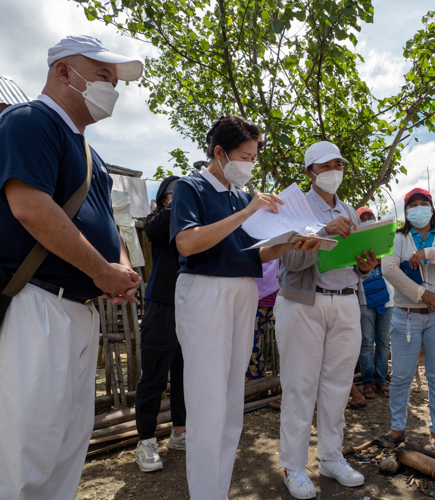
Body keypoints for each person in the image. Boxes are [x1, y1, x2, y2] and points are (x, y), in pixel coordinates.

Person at [0, 35, 143, 498]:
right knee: (25, 455)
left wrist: (118, 268)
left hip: (78, 310)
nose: (111, 89)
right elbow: (31, 208)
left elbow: (106, 224)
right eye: (102, 76)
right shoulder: (29, 121)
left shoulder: (91, 155)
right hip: (35, 303)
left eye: (114, 81)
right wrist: (101, 270)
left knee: (65, 449)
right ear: (63, 72)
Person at [170, 115, 319, 500]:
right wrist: (249, 210)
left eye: (254, 157)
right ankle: (204, 493)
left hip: (242, 290)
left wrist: (290, 243)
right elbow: (187, 243)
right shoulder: (191, 187)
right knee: (206, 400)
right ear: (219, 153)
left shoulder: (240, 197)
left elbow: (253, 252)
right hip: (205, 292)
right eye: (244, 156)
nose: (250, 165)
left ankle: (217, 490)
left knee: (231, 402)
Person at [274, 141, 378, 499]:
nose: (334, 170)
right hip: (304, 303)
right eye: (325, 165)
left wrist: (365, 265)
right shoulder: (294, 206)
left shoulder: (348, 207)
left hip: (347, 301)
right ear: (309, 172)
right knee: (300, 386)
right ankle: (293, 465)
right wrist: (322, 232)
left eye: (338, 163)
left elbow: (354, 263)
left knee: (337, 387)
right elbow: (288, 261)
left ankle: (331, 457)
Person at [380, 188, 435, 455]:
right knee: (400, 376)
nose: (419, 208)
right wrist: (420, 294)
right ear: (406, 211)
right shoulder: (397, 238)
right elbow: (388, 269)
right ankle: (396, 429)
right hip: (406, 315)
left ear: (432, 208)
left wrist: (428, 252)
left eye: (425, 203)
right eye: (413, 205)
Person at [134, 176, 187, 473]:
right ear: (165, 198)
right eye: (176, 194)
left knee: (184, 375)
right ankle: (146, 441)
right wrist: (182, 199)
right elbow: (153, 230)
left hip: (192, 307)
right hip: (162, 306)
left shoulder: (195, 221)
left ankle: (179, 433)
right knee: (154, 375)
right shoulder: (158, 219)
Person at [356, 206, 394, 399]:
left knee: (383, 342)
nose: (368, 220)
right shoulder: (354, 242)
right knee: (366, 342)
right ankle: (367, 381)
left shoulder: (386, 240)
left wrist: (381, 261)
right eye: (363, 218)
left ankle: (381, 380)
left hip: (387, 299)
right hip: (364, 298)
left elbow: (395, 261)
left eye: (370, 217)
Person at [248, 259, 280, 379]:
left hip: (279, 298)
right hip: (254, 298)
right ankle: (258, 385)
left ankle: (287, 381)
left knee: (288, 342)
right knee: (252, 345)